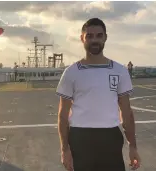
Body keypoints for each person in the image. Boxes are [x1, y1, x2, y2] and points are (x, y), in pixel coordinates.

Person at [56, 18, 141, 171]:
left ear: (105, 38)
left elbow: (126, 113)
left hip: (111, 137)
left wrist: (132, 146)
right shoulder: (71, 72)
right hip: (80, 138)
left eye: (99, 35)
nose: (94, 40)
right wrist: (64, 149)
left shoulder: (119, 71)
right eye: (89, 36)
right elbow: (63, 116)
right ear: (82, 38)